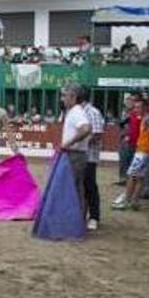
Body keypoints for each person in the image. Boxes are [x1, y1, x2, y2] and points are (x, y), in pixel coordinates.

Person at [60, 84, 93, 216]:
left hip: (75, 155)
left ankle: (75, 220)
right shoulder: (74, 111)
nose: (62, 99)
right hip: (75, 154)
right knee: (74, 187)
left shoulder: (77, 112)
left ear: (73, 97)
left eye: (65, 96)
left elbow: (85, 129)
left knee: (72, 188)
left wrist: (69, 143)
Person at [114, 114, 149, 210]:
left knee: (132, 176)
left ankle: (127, 200)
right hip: (146, 152)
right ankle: (135, 201)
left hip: (141, 153)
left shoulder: (148, 127)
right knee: (140, 178)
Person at [81, 88, 105, 231]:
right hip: (80, 155)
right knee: (82, 186)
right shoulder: (79, 112)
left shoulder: (93, 112)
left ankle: (94, 216)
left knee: (90, 186)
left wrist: (79, 142)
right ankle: (83, 214)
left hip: (89, 155)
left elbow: (96, 135)